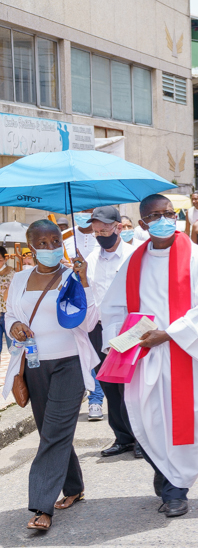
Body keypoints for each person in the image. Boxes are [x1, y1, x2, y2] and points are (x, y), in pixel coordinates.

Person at [101, 194, 198, 518]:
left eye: (169, 214)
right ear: (143, 223)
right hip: (145, 356)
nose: (164, 219)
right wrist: (123, 338)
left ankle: (176, 488)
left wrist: (169, 333)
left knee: (184, 422)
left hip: (182, 352)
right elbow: (113, 307)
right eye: (155, 215)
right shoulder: (134, 261)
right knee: (149, 420)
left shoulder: (196, 257)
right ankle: (166, 474)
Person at [5, 220, 98, 530]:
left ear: (62, 242)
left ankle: (41, 506)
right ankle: (74, 488)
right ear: (31, 247)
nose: (49, 249)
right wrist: (15, 328)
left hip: (69, 362)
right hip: (34, 365)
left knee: (56, 430)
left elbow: (89, 322)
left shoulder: (73, 275)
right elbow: (12, 316)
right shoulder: (19, 279)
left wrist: (84, 282)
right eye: (41, 244)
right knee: (50, 430)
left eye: (54, 241)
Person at [84, 206, 140, 459]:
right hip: (98, 328)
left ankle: (141, 437)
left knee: (130, 386)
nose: (100, 232)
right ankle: (123, 437)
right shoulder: (90, 259)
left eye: (105, 227)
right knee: (108, 385)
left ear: (118, 226)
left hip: (127, 328)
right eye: (96, 229)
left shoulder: (134, 255)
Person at [0, 246, 14, 355]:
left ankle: (15, 371)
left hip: (8, 314)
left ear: (5, 259)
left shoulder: (13, 273)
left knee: (13, 348)